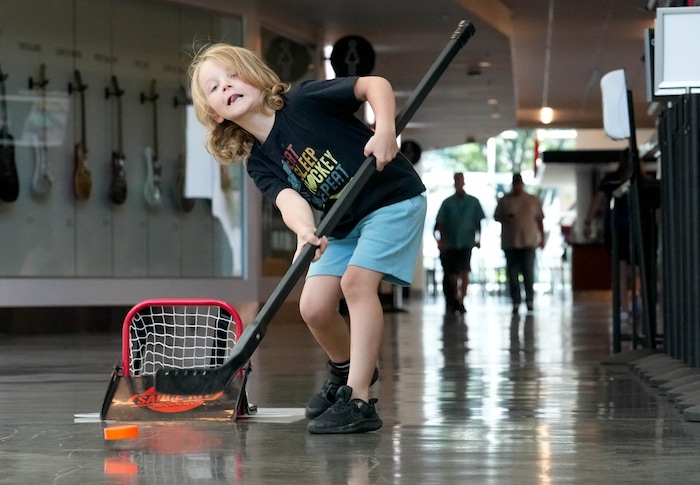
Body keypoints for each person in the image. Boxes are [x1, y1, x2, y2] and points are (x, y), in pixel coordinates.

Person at [189, 44, 426, 434]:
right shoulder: (259, 161)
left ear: (255, 75)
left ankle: (360, 398)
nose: (227, 86)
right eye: (214, 87)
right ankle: (345, 368)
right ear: (215, 114)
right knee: (314, 307)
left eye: (232, 74)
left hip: (391, 199)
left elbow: (374, 85)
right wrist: (303, 231)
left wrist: (385, 131)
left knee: (356, 284)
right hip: (344, 220)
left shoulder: (301, 101)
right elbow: (289, 199)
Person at [583, 148, 636, 320]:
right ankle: (635, 301)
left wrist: (587, 222)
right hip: (636, 230)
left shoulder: (610, 180)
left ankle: (625, 306)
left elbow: (596, 201)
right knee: (635, 269)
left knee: (621, 270)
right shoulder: (640, 179)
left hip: (616, 229)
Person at [433, 173, 485, 314]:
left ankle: (462, 300)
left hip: (466, 242)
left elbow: (478, 223)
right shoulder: (447, 203)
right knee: (452, 274)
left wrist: (478, 239)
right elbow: (438, 224)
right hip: (451, 243)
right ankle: (455, 297)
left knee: (465, 271)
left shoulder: (473, 202)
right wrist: (441, 241)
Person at [494, 173, 545, 314]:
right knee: (512, 274)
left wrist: (542, 238)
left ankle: (529, 300)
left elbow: (540, 219)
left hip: (528, 241)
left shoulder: (533, 200)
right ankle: (516, 301)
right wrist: (506, 218)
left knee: (528, 273)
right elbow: (496, 216)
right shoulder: (505, 200)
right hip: (511, 242)